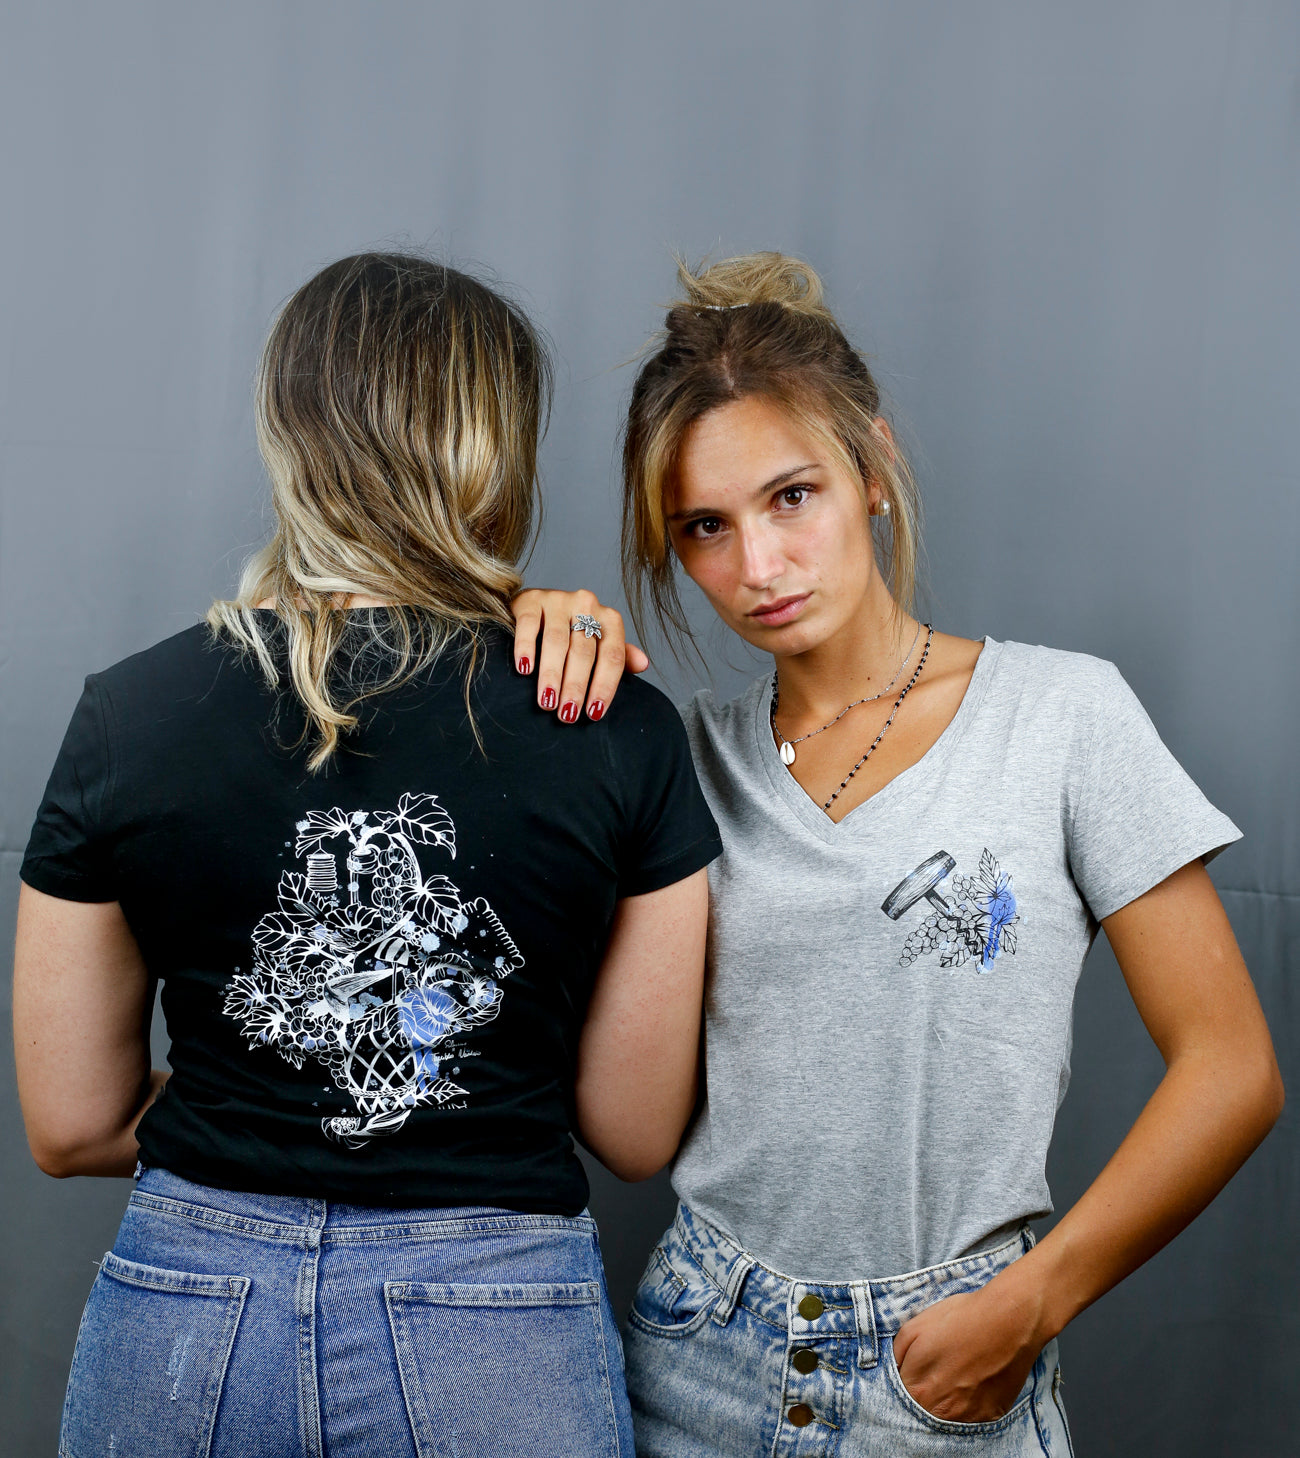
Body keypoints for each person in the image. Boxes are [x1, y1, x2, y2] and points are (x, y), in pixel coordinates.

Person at [511, 252, 1284, 1456]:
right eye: (703, 527)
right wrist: (521, 627)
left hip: (949, 1366)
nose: (756, 566)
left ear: (870, 470)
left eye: (790, 497)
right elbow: (619, 1104)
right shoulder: (679, 762)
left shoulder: (1060, 714)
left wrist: (1035, 1298)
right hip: (700, 1350)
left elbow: (1232, 1068)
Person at [14, 252, 723, 1458]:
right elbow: (635, 1128)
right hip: (492, 1316)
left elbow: (71, 1123)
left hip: (189, 1315)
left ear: (289, 430)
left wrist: (270, 1088)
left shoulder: (127, 714)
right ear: (497, 446)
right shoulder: (611, 720)